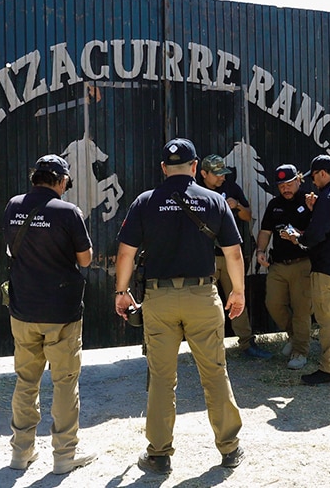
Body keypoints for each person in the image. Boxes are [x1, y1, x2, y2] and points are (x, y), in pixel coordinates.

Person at [114, 138, 246, 475]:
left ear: (162, 168)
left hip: (158, 300)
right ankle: (229, 448)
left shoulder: (144, 202)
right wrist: (239, 292)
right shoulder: (215, 200)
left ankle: (158, 454)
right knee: (214, 372)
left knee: (161, 378)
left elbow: (126, 252)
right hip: (203, 297)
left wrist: (122, 292)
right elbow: (232, 253)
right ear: (194, 166)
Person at [2, 154, 97, 474]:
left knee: (26, 380)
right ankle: (64, 455)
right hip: (62, 312)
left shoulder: (13, 206)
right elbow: (85, 260)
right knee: (65, 383)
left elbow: (12, 250)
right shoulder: (69, 212)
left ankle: (20, 452)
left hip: (23, 309)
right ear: (60, 180)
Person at [282, 155, 330, 385]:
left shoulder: (329, 197)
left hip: (326, 268)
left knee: (328, 319)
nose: (313, 183)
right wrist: (316, 209)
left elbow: (316, 236)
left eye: (314, 177)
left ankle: (329, 369)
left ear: (322, 173)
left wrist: (297, 238)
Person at [198, 154, 273, 359]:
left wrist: (237, 206)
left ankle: (247, 344)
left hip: (229, 255)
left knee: (238, 299)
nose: (222, 178)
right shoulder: (195, 190)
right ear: (204, 174)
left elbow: (248, 216)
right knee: (203, 303)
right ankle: (207, 348)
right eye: (217, 175)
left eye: (224, 174)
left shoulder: (231, 187)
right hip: (205, 256)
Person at [255, 164, 313, 370]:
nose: (285, 189)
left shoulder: (309, 201)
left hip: (302, 263)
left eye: (289, 184)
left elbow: (319, 231)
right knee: (273, 304)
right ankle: (295, 336)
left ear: (298, 181)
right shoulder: (274, 205)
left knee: (301, 310)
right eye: (281, 186)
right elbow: (265, 231)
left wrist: (299, 234)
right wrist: (260, 251)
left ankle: (300, 351)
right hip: (277, 264)